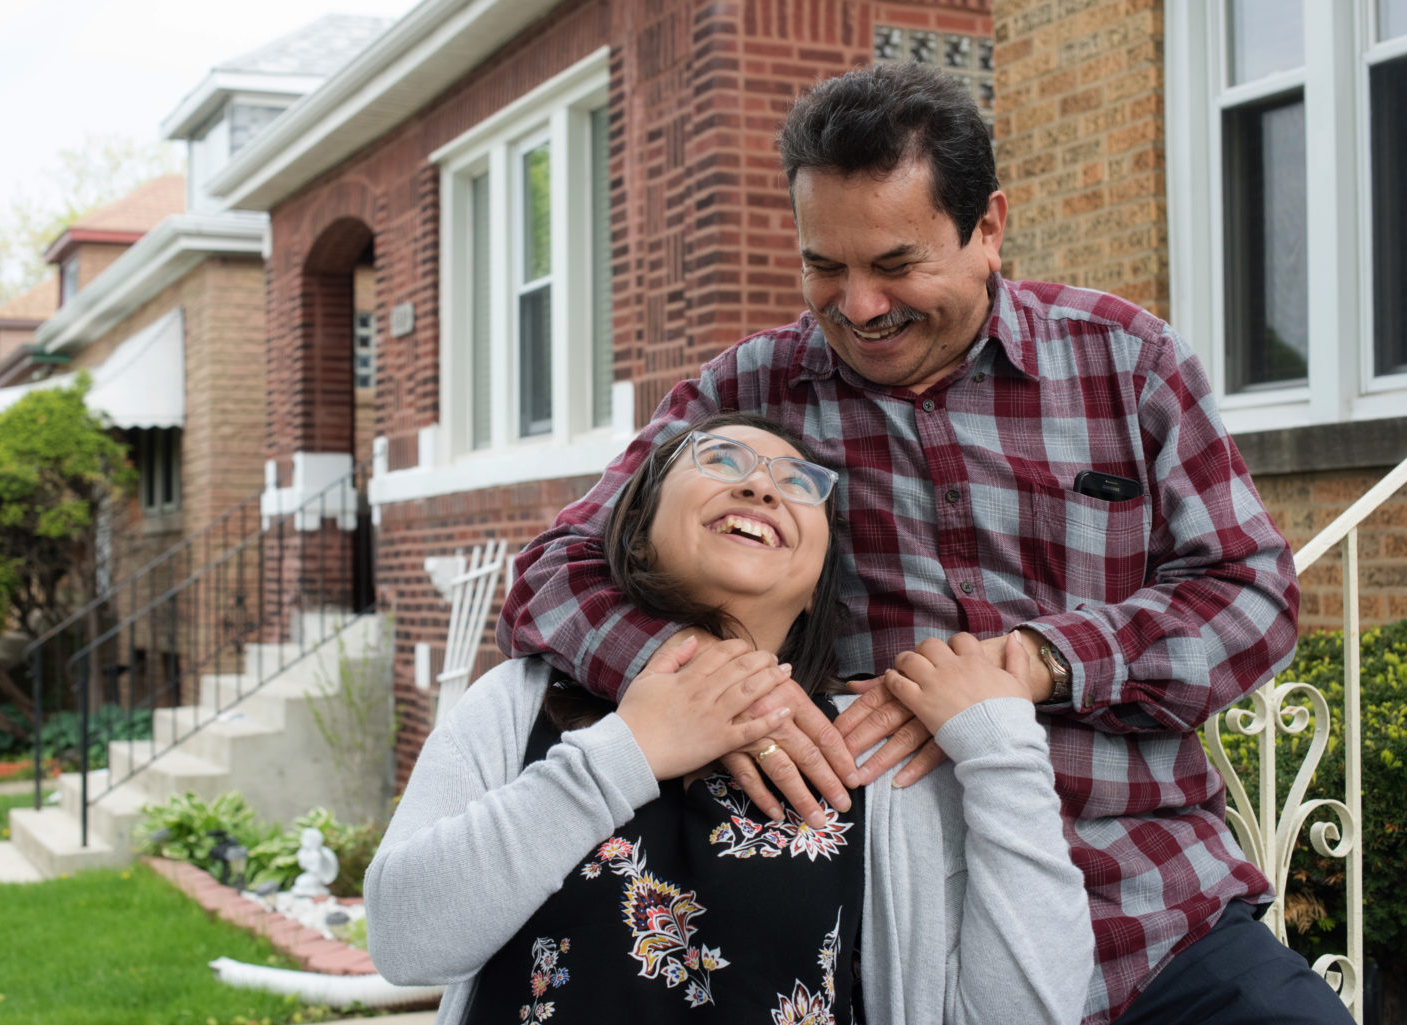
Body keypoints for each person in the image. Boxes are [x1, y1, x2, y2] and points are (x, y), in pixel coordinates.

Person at [499, 63, 1344, 1025]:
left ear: (987, 227)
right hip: (889, 936)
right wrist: (712, 678)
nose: (858, 306)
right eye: (826, 265)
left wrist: (1037, 662)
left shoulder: (1127, 359)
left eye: (896, 265)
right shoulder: (751, 397)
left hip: (1152, 903)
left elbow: (1252, 592)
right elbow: (552, 573)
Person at [367, 413, 1092, 1025]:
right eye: (720, 459)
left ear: (817, 588)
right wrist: (630, 749)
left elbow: (1026, 1011)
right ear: (638, 531)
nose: (760, 485)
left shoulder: (876, 749)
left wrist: (1003, 746)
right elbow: (404, 940)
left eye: (799, 483)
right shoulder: (521, 702)